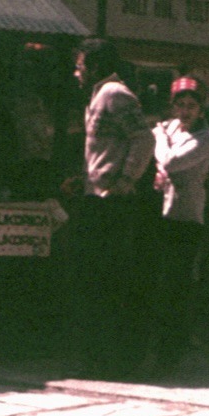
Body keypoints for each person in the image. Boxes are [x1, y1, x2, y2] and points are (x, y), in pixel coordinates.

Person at [69, 38, 155, 377]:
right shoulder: (96, 96)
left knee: (106, 279)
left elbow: (144, 139)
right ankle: (96, 357)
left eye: (79, 66)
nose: (76, 73)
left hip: (112, 202)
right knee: (94, 278)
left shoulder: (114, 94)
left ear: (93, 65)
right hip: (95, 194)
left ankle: (112, 359)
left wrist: (125, 180)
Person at [143, 76, 209, 373]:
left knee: (177, 286)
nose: (185, 111)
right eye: (180, 105)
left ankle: (172, 353)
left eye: (191, 105)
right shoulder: (169, 127)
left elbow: (170, 161)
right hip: (160, 214)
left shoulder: (206, 138)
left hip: (186, 218)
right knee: (157, 285)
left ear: (201, 109)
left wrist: (159, 139)